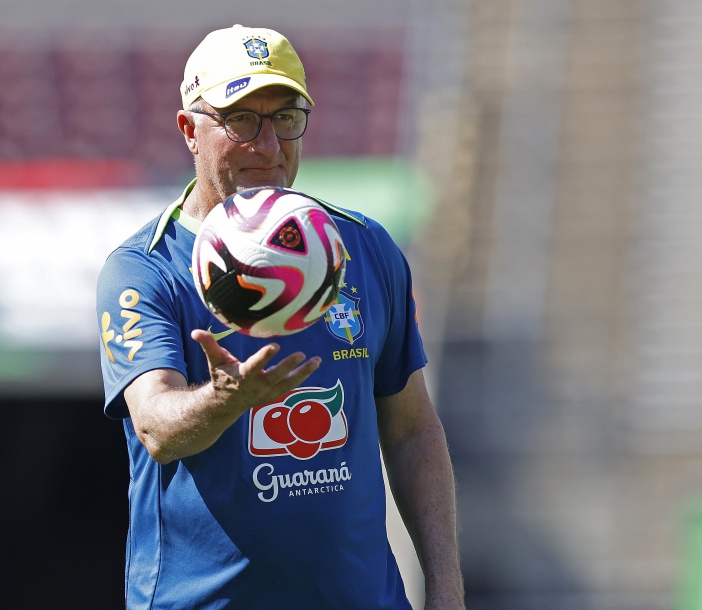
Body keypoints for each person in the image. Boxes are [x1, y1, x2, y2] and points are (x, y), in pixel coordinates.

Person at [97, 24, 464, 610]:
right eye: (241, 120)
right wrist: (226, 400)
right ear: (190, 130)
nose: (268, 145)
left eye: (286, 118)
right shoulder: (145, 268)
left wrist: (446, 590)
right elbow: (156, 428)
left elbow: (413, 430)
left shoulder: (365, 247)